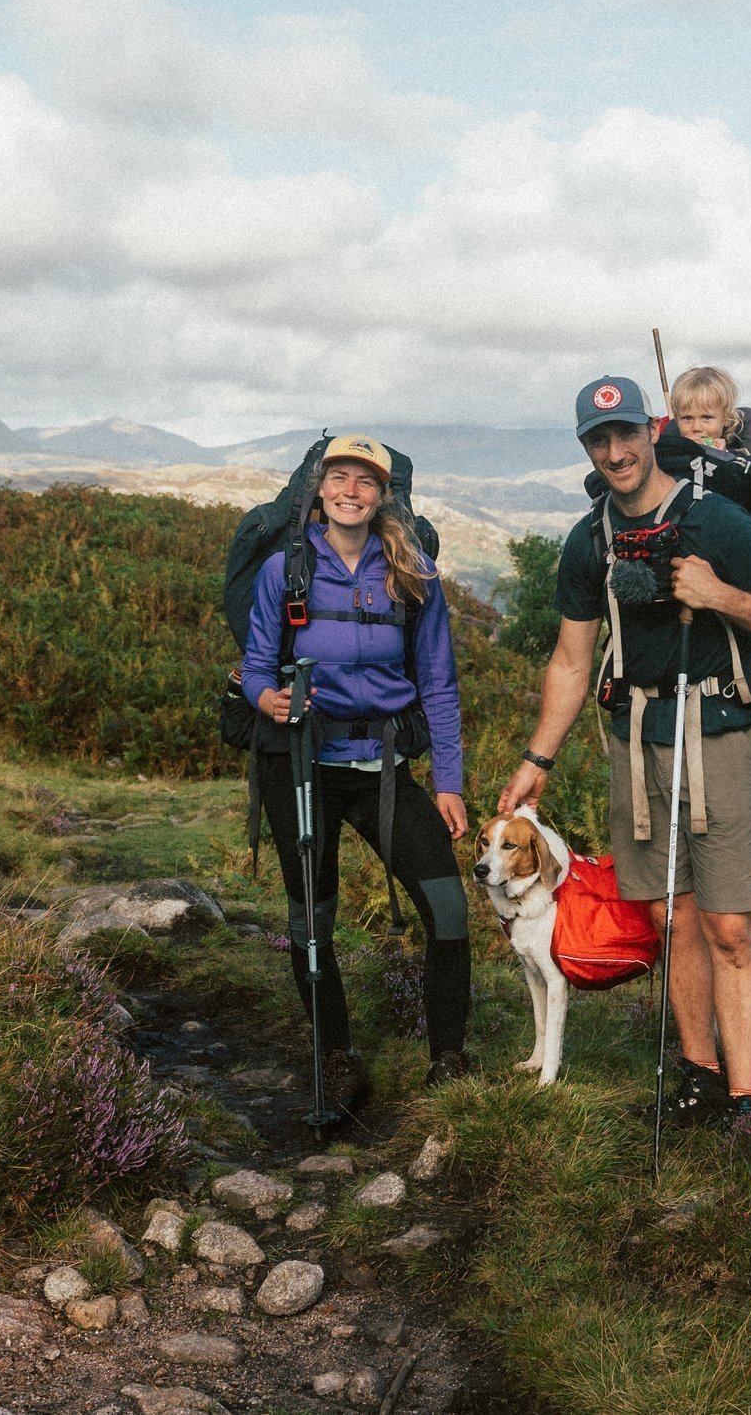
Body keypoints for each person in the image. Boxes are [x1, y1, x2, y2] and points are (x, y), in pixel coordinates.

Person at [498, 377, 751, 1128]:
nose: (615, 450)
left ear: (652, 432)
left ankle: (744, 1099)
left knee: (729, 925)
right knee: (673, 918)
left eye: (626, 433)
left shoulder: (716, 522)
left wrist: (718, 595)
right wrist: (534, 762)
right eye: (598, 439)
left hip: (722, 735)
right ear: (587, 447)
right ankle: (700, 1077)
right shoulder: (589, 539)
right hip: (635, 742)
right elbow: (573, 660)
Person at [241, 435, 472, 1119]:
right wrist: (267, 698)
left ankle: (448, 1059)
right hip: (301, 766)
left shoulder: (411, 570)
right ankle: (337, 1055)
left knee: (449, 910)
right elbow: (256, 662)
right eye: (338, 477)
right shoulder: (284, 570)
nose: (350, 490)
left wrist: (449, 782)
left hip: (384, 767)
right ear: (318, 488)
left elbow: (437, 681)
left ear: (382, 495)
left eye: (365, 481)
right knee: (312, 921)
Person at [668, 365, 745, 453]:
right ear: (677, 419)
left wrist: (720, 456)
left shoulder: (737, 459)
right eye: (688, 418)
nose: (696, 427)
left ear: (726, 418)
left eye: (706, 417)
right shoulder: (667, 457)